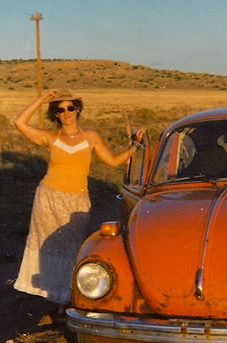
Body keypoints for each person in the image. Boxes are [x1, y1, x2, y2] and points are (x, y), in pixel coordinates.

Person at [12, 88, 144, 308]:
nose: (66, 113)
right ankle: (55, 296)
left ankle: (71, 297)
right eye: (60, 109)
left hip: (77, 201)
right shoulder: (51, 138)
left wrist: (133, 148)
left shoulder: (91, 137)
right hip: (48, 199)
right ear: (55, 114)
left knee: (74, 249)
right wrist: (42, 99)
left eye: (70, 107)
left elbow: (112, 161)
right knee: (48, 247)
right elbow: (19, 123)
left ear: (78, 108)